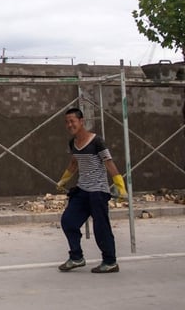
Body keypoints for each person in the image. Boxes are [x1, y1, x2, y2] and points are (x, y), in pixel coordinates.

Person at [55, 107, 127, 274]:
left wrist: (120, 185)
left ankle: (110, 262)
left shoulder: (97, 141)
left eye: (72, 121)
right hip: (82, 190)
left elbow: (109, 162)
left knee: (101, 228)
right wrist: (64, 179)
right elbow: (74, 163)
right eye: (67, 122)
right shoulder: (73, 142)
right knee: (68, 221)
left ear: (81, 121)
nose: (69, 124)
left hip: (98, 191)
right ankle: (76, 257)